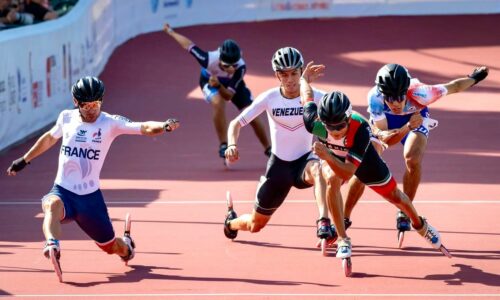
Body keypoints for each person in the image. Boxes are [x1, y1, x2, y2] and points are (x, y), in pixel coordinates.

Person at [6, 76, 180, 281]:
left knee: (111, 247)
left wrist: (164, 125)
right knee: (51, 205)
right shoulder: (66, 118)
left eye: (96, 104)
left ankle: (127, 246)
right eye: (86, 105)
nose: (92, 109)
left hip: (90, 200)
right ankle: (52, 244)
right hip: (63, 190)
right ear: (76, 102)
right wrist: (25, 160)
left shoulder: (110, 123)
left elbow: (143, 128)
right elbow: (49, 139)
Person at [300, 73, 449, 256]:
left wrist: (328, 156)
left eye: (340, 126)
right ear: (322, 122)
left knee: (396, 197)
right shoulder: (313, 124)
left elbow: (348, 173)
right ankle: (342, 238)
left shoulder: (360, 128)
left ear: (348, 119)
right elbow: (307, 98)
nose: (336, 131)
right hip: (335, 156)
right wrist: (303, 80)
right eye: (330, 127)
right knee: (331, 180)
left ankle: (420, 224)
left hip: (364, 159)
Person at [223, 47, 351, 259]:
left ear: (301, 72)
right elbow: (236, 123)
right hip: (278, 168)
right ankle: (231, 222)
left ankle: (323, 223)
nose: (290, 79)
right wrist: (231, 145)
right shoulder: (270, 98)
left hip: (304, 162)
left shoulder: (315, 96)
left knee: (320, 169)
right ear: (277, 76)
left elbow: (343, 115)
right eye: (284, 74)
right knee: (255, 225)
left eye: (294, 73)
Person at [344, 64, 489, 237]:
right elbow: (386, 139)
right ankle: (344, 218)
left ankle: (405, 211)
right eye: (389, 98)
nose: (395, 103)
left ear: (406, 91)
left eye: (399, 96)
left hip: (415, 118)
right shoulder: (374, 97)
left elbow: (455, 87)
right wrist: (404, 127)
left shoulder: (422, 93)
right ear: (382, 94)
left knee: (412, 159)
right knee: (364, 168)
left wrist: (474, 78)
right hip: (389, 126)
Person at [162, 23, 271, 164]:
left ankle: (268, 149)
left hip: (228, 85)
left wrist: (220, 84)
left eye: (234, 65)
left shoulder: (241, 68)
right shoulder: (208, 59)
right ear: (219, 59)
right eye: (226, 66)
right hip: (209, 81)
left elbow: (229, 96)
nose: (230, 69)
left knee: (252, 114)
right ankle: (223, 144)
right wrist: (170, 31)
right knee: (217, 102)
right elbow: (188, 45)